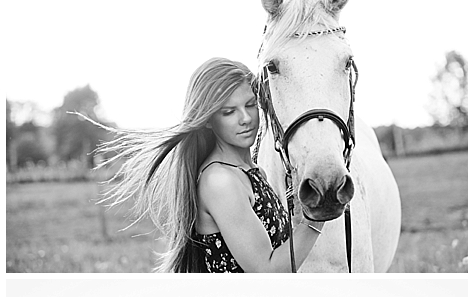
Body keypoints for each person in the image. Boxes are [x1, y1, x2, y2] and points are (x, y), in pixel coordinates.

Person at [105, 57, 322, 272]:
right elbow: (267, 270)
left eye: (250, 105)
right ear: (208, 120)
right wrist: (318, 216)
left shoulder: (253, 173)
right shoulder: (220, 180)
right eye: (228, 112)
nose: (245, 118)